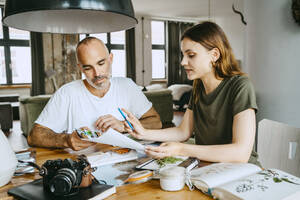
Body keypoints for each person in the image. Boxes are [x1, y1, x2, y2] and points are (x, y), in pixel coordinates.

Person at [124, 21, 260, 165]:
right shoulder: (198, 86)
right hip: (210, 166)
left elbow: (241, 154)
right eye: (183, 55)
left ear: (214, 55)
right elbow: (183, 132)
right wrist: (144, 133)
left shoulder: (240, 86)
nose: (183, 62)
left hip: (243, 171)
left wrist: (181, 149)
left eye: (191, 55)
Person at [28, 37, 162, 151]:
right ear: (80, 68)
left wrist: (124, 125)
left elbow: (156, 122)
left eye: (101, 63)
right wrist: (66, 140)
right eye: (88, 68)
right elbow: (34, 136)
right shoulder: (67, 93)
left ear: (111, 58)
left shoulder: (128, 86)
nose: (97, 74)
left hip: (125, 162)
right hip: (83, 169)